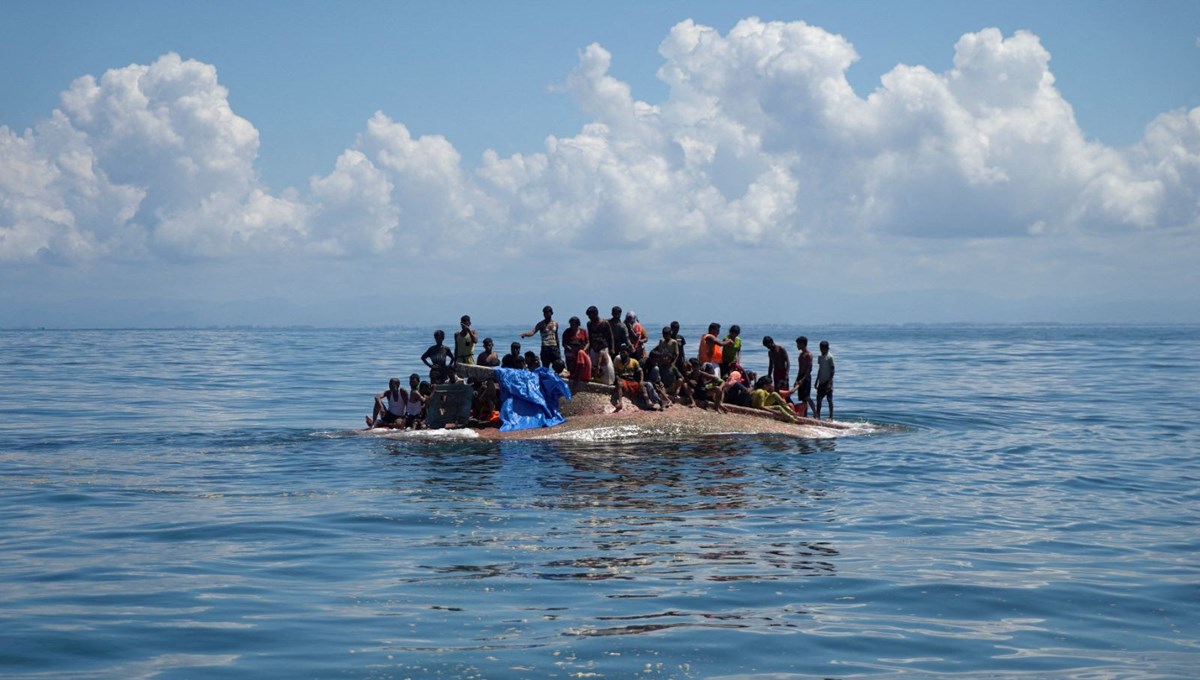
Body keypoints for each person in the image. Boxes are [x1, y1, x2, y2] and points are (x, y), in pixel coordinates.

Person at [792, 336, 818, 418]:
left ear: (803, 344)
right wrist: (797, 380)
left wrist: (802, 380)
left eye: (798, 344)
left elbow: (809, 369)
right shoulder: (800, 355)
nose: (797, 346)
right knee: (802, 398)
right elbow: (800, 369)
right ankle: (805, 415)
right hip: (800, 376)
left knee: (807, 397)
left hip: (806, 377)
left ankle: (815, 413)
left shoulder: (808, 355)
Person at [815, 340, 835, 420]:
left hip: (828, 381)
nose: (822, 350)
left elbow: (833, 370)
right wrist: (816, 381)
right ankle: (818, 416)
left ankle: (831, 416)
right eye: (821, 348)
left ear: (827, 348)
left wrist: (829, 383)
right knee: (818, 399)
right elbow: (820, 369)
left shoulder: (830, 357)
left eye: (823, 348)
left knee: (829, 400)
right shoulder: (820, 357)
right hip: (821, 381)